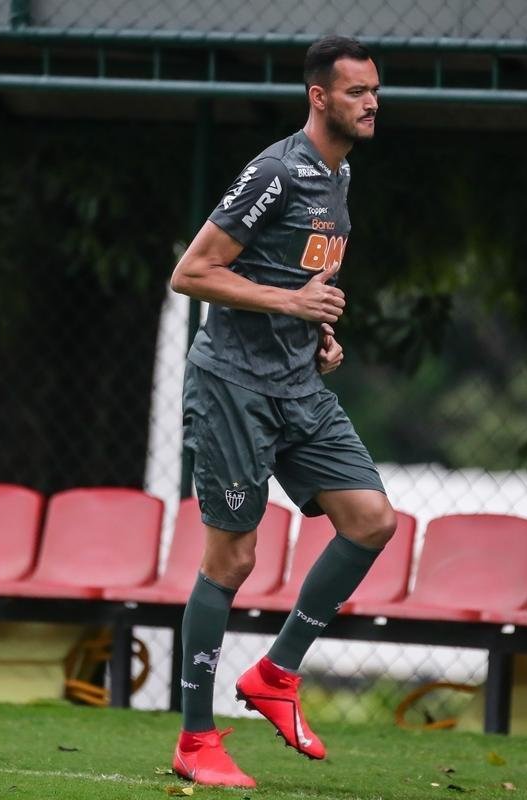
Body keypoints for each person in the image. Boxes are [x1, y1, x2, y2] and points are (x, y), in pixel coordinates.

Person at [167, 35, 393, 788]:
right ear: (319, 96)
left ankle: (276, 673)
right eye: (356, 91)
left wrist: (319, 331)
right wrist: (290, 302)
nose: (371, 102)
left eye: (375, 90)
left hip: (297, 384)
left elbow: (307, 275)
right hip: (234, 384)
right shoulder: (274, 170)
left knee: (370, 520)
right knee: (231, 559)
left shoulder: (341, 174)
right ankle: (196, 740)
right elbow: (192, 273)